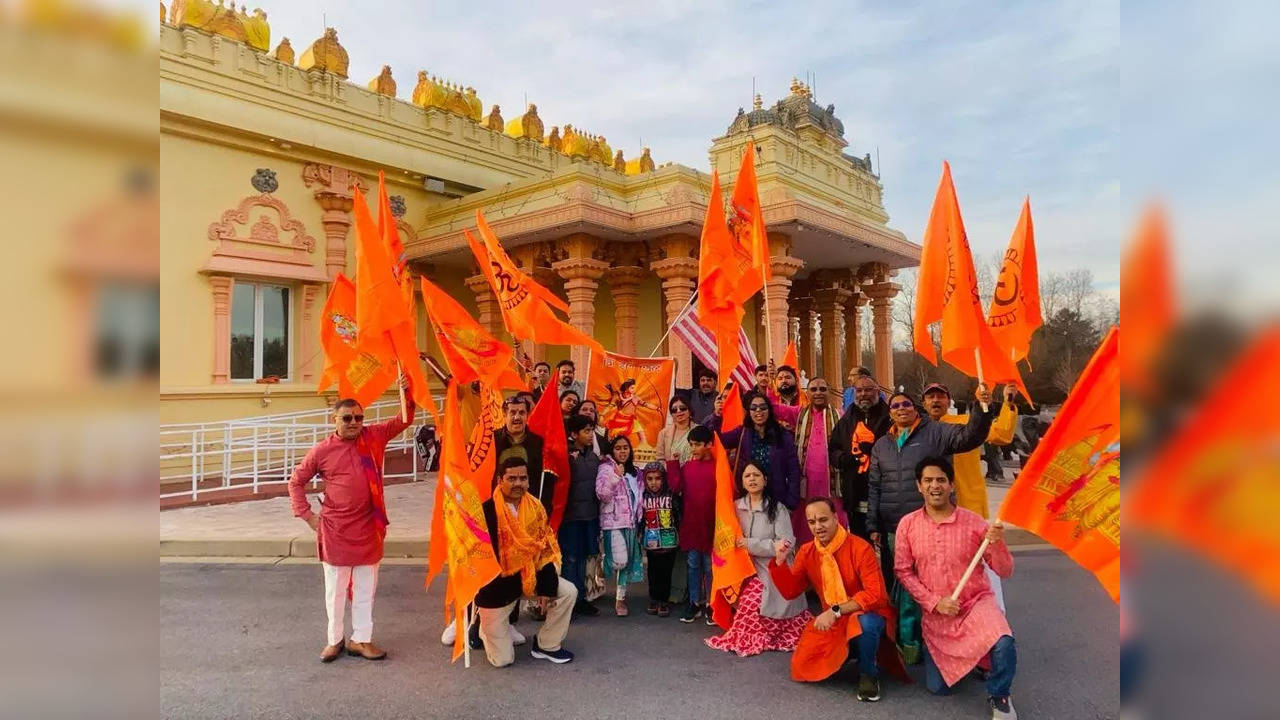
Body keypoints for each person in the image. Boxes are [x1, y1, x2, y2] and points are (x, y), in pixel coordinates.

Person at [287, 379, 413, 662]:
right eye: (347, 418)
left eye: (358, 417)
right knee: (335, 591)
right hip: (335, 531)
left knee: (366, 588)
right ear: (334, 420)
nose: (354, 422)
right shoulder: (322, 450)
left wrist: (406, 389)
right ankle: (334, 640)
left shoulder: (374, 437)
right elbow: (296, 482)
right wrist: (308, 517)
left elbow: (404, 419)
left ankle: (361, 639)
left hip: (368, 528)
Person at [868, 385, 995, 664]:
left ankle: (945, 641)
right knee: (902, 586)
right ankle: (908, 643)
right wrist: (872, 523)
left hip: (930, 523)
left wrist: (982, 408)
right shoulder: (882, 445)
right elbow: (875, 486)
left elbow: (970, 437)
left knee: (935, 583)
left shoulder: (936, 432)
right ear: (890, 413)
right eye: (896, 406)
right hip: (893, 526)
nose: (901, 409)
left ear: (917, 408)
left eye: (907, 404)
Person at [894, 458, 1017, 719]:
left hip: (975, 604)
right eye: (928, 480)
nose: (934, 486)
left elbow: (1005, 571)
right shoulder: (908, 524)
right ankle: (977, 659)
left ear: (951, 485)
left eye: (941, 480)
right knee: (938, 689)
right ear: (919, 486)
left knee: (1004, 642)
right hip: (938, 616)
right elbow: (903, 571)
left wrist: (997, 544)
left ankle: (1000, 695)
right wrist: (934, 602)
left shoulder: (974, 522)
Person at [768, 497, 900, 702]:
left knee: (863, 622)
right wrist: (779, 562)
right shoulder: (807, 551)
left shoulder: (860, 547)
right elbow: (791, 591)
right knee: (801, 666)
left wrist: (835, 610)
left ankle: (869, 674)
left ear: (836, 518)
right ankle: (854, 651)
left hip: (870, 613)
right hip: (836, 619)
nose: (818, 527)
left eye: (823, 520)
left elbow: (876, 595)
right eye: (812, 522)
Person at [471, 457, 577, 667]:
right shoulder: (485, 512)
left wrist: (546, 588)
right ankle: (483, 627)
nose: (518, 483)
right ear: (500, 480)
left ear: (529, 481)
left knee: (568, 591)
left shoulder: (536, 507)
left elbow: (544, 547)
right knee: (502, 660)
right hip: (497, 588)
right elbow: (475, 558)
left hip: (529, 576)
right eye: (512, 478)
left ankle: (547, 645)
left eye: (523, 478)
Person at [705, 461, 812, 656]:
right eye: (747, 476)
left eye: (756, 475)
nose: (752, 479)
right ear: (742, 482)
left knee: (753, 601)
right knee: (747, 602)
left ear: (765, 479)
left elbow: (786, 543)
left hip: (771, 568)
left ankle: (767, 634)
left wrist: (751, 544)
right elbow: (725, 538)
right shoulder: (735, 508)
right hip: (743, 568)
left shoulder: (777, 508)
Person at [920, 382, 1018, 516]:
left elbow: (1002, 434)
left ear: (949, 402)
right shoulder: (917, 431)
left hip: (967, 504)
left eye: (941, 396)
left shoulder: (969, 423)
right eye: (931, 396)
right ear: (924, 404)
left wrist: (1008, 402)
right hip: (933, 507)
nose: (936, 399)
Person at [829, 373, 892, 538]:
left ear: (877, 391)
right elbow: (833, 449)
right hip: (854, 491)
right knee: (860, 544)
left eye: (868, 390)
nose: (864, 394)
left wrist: (875, 449)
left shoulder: (890, 417)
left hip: (884, 493)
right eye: (859, 390)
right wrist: (843, 459)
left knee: (887, 548)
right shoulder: (847, 419)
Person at [667, 424, 717, 623]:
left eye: (697, 445)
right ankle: (695, 602)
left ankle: (712, 603)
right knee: (693, 565)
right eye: (691, 445)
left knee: (710, 567)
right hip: (692, 525)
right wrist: (673, 463)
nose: (693, 449)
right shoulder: (688, 466)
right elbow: (676, 486)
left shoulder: (719, 467)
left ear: (709, 444)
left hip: (712, 526)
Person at [721, 391, 802, 510]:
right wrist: (717, 416)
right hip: (749, 497)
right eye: (754, 408)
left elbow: (793, 470)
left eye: (763, 407)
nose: (758, 411)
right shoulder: (742, 432)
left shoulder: (783, 435)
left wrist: (791, 501)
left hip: (777, 499)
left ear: (769, 410)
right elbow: (718, 439)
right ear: (749, 412)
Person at [596, 435, 645, 617]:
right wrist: (615, 476)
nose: (622, 451)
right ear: (612, 450)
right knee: (619, 561)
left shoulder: (636, 472)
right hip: (613, 523)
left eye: (625, 448)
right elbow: (602, 494)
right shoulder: (605, 468)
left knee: (626, 565)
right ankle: (602, 564)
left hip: (631, 523)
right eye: (618, 448)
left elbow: (639, 498)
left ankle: (620, 599)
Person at [792, 375, 843, 545]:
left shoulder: (840, 416)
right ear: (807, 393)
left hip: (833, 485)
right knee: (807, 537)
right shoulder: (799, 414)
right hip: (806, 487)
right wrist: (770, 383)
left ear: (829, 392)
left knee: (835, 535)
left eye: (823, 389)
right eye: (814, 389)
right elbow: (772, 408)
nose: (818, 393)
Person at [561, 414, 601, 617]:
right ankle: (570, 601)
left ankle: (582, 598)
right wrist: (568, 461)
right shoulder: (565, 455)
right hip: (571, 517)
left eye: (592, 430)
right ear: (573, 434)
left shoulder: (593, 457)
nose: (590, 434)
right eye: (586, 431)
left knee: (585, 558)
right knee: (571, 559)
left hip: (590, 516)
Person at [639, 461, 680, 616]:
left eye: (657, 478)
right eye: (650, 479)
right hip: (651, 541)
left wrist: (681, 534)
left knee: (666, 572)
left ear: (663, 479)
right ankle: (654, 599)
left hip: (669, 541)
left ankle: (664, 601)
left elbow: (678, 515)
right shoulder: (643, 496)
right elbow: (640, 518)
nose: (654, 482)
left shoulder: (671, 495)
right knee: (652, 571)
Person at [493, 397, 548, 510]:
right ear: (504, 414)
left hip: (528, 506)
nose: (517, 417)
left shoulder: (538, 442)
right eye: (512, 412)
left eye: (521, 412)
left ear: (527, 415)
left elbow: (540, 477)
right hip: (496, 506)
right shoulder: (491, 441)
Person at [601, 378, 659, 446]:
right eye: (632, 388)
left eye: (634, 388)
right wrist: (602, 414)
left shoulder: (635, 398)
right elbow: (610, 406)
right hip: (619, 420)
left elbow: (646, 404)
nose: (633, 390)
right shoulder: (618, 397)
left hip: (631, 420)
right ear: (626, 388)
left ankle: (642, 451)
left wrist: (657, 408)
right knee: (614, 437)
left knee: (642, 436)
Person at [656, 395, 696, 464]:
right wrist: (671, 469)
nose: (678, 411)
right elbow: (660, 460)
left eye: (682, 408)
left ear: (689, 411)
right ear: (671, 414)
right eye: (674, 410)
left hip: (692, 472)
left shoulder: (698, 430)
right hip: (670, 473)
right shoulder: (663, 433)